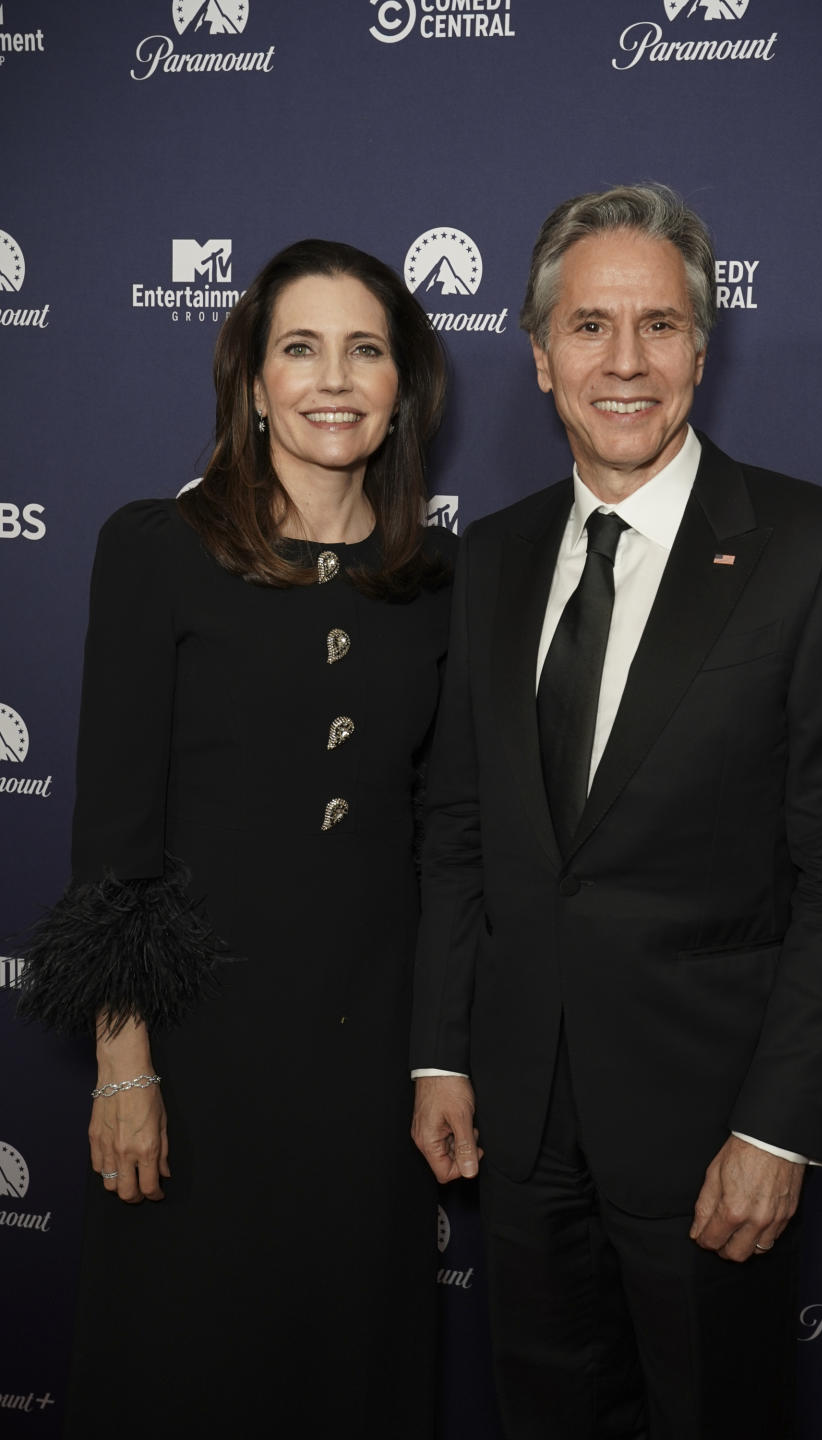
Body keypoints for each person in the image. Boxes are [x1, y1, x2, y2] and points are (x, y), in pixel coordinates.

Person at [410, 184, 822, 1439]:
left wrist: (777, 1129)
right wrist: (441, 1049)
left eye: (659, 326)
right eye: (588, 327)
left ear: (702, 345)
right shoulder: (493, 557)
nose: (624, 363)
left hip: (709, 1137)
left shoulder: (818, 547)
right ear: (538, 356)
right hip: (520, 1129)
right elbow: (462, 825)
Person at [20, 239, 455, 1437]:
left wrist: (437, 1058)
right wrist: (127, 1068)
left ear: (403, 385)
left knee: (350, 1376)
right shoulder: (156, 550)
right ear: (252, 383)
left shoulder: (436, 581)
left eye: (364, 350)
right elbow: (114, 841)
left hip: (368, 1076)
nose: (333, 378)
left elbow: (442, 843)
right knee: (181, 1370)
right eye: (299, 349)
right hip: (195, 1067)